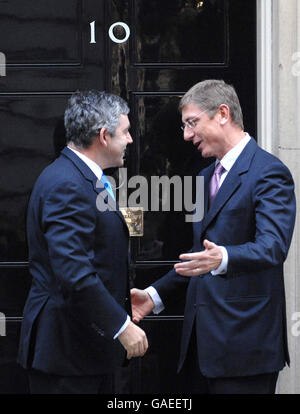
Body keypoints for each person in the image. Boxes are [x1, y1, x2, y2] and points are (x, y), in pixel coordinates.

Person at [131, 79, 296, 394]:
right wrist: (153, 297)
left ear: (223, 113)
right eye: (184, 126)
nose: (186, 135)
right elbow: (199, 259)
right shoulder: (205, 176)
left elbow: (273, 246)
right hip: (199, 350)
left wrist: (225, 257)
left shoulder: (268, 173)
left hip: (245, 353)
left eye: (192, 123)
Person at [18, 90, 148, 394]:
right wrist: (122, 326)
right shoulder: (67, 184)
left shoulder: (88, 179)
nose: (130, 140)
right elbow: (74, 272)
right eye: (126, 131)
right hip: (66, 356)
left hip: (84, 353)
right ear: (104, 136)